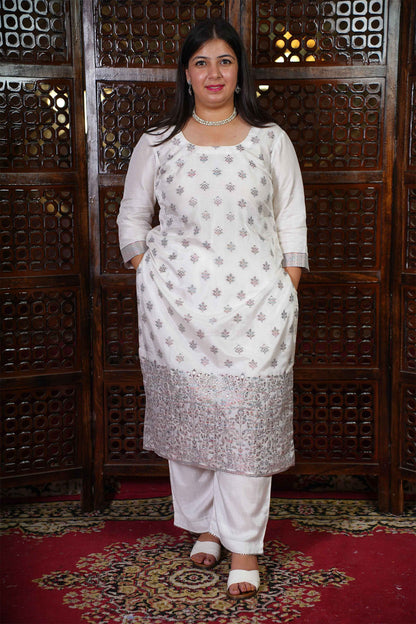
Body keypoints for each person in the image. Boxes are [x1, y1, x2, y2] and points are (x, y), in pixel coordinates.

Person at [117, 18, 308, 600]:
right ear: (186, 73)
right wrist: (144, 271)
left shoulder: (270, 139)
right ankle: (204, 527)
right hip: (177, 308)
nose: (214, 73)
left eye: (224, 61)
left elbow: (291, 218)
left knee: (246, 424)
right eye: (201, 62)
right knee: (191, 418)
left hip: (256, 309)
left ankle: (244, 546)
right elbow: (132, 215)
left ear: (239, 71)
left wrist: (288, 286)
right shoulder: (158, 142)